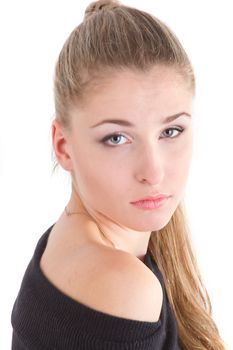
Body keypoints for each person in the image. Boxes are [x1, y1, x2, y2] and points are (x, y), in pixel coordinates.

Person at [11, 0, 226, 349]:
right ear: (63, 146)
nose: (153, 172)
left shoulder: (75, 244)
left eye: (171, 132)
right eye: (117, 138)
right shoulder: (121, 286)